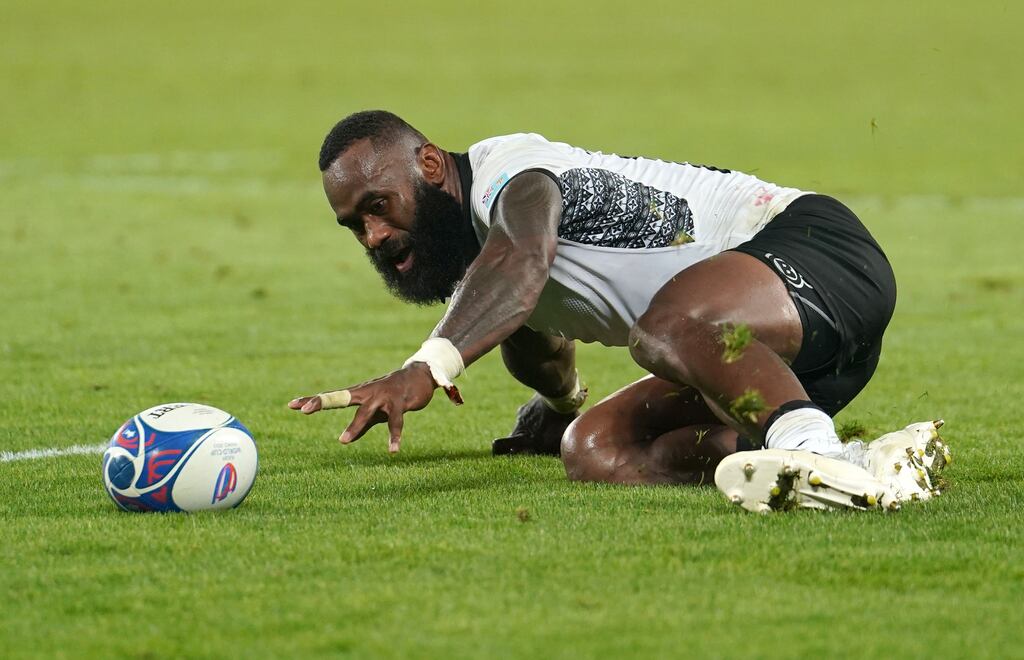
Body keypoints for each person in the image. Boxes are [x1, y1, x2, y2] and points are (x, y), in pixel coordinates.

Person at [288, 110, 949, 512]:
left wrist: (427, 367)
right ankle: (861, 463)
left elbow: (521, 263)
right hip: (790, 367)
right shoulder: (488, 264)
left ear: (430, 165)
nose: (373, 237)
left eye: (379, 206)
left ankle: (817, 452)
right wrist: (560, 409)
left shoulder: (509, 176)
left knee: (662, 328)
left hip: (820, 253)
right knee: (596, 450)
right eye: (354, 226)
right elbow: (534, 337)